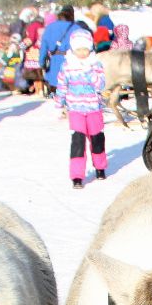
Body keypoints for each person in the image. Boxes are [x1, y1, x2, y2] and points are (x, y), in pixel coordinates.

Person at [56, 29, 108, 188]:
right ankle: (77, 175)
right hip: (76, 109)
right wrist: (60, 102)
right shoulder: (67, 66)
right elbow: (62, 85)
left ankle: (100, 167)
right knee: (77, 141)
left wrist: (91, 73)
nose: (83, 53)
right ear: (73, 49)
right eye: (79, 49)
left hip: (93, 107)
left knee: (97, 138)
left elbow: (101, 84)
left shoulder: (95, 64)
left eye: (85, 49)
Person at [39, 5, 84, 101]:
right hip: (73, 62)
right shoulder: (77, 28)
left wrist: (42, 63)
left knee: (57, 92)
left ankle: (61, 109)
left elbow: (43, 47)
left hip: (55, 63)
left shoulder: (50, 27)